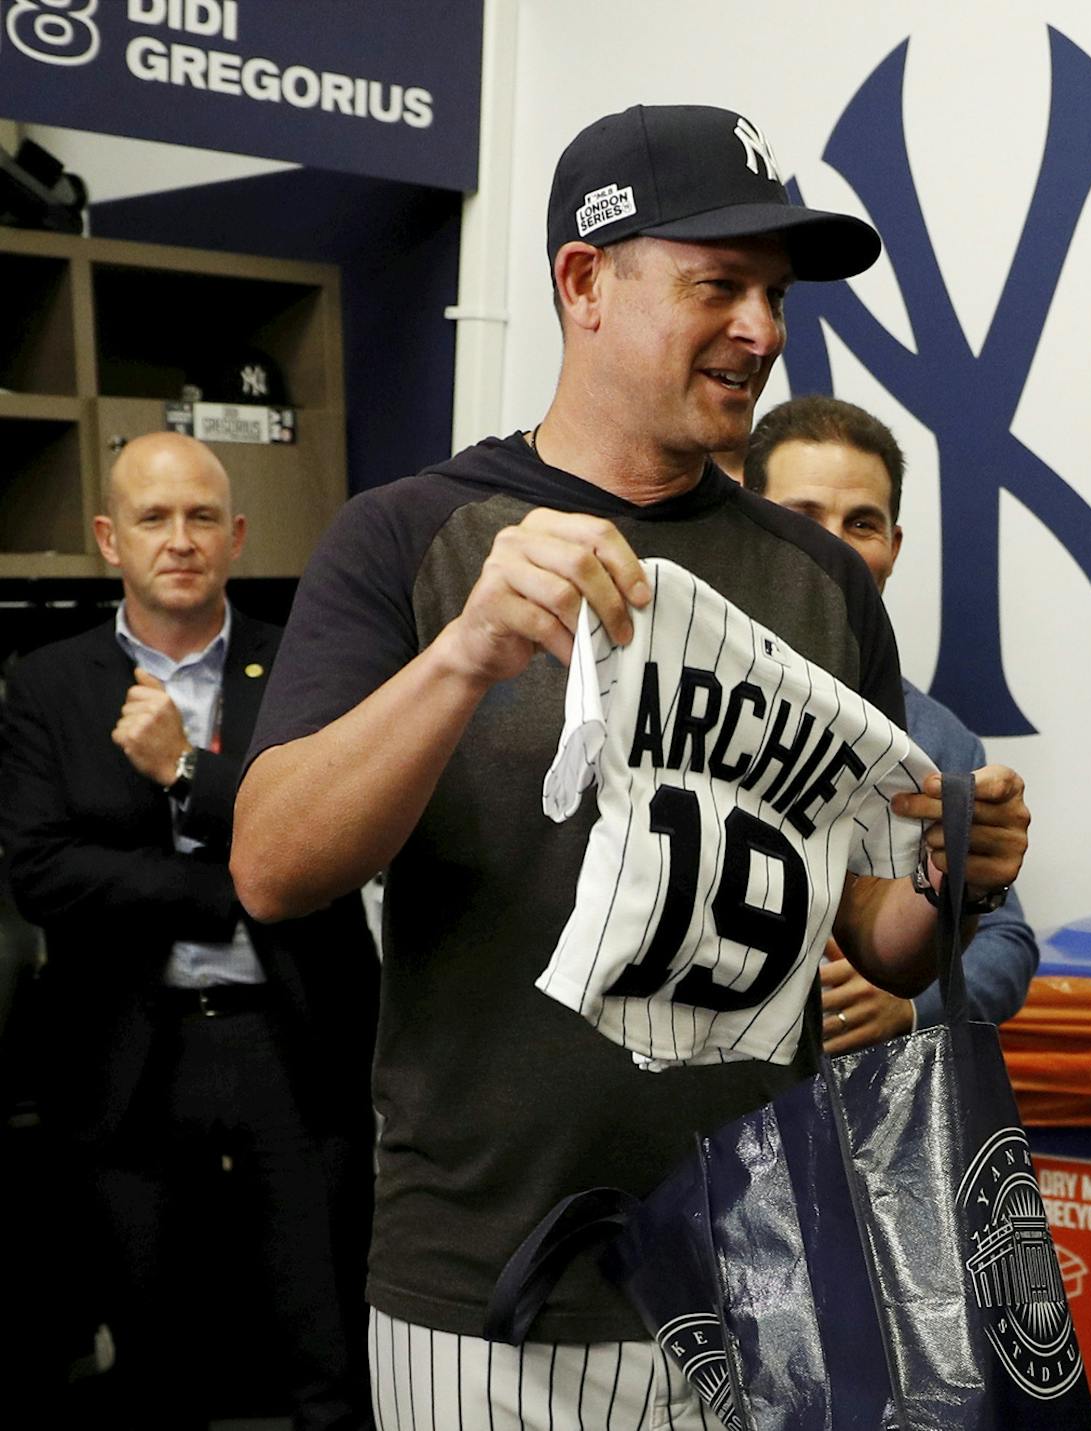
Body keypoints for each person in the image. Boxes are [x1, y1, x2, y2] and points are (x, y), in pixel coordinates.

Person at [229, 105, 1032, 1429]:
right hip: (491, 1286)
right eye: (718, 284)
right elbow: (271, 863)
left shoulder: (818, 579)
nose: (763, 330)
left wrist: (952, 880)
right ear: (583, 282)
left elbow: (874, 933)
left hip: (762, 1269)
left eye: (773, 295)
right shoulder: (410, 536)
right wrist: (467, 653)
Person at [0, 432, 378, 1430]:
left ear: (237, 533)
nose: (180, 539)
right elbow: (44, 873)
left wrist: (184, 774)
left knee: (329, 1358)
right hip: (125, 1055)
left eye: (202, 516)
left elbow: (337, 844)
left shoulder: (311, 664)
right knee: (155, 1364)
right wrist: (238, 884)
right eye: (153, 518)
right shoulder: (48, 683)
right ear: (107, 538)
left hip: (289, 1042)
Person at [742, 394, 1041, 1052]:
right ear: (744, 520)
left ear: (893, 547)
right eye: (803, 515)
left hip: (856, 1127)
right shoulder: (678, 690)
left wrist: (911, 1005)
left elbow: (1007, 942)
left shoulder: (936, 739)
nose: (834, 546)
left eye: (862, 523)